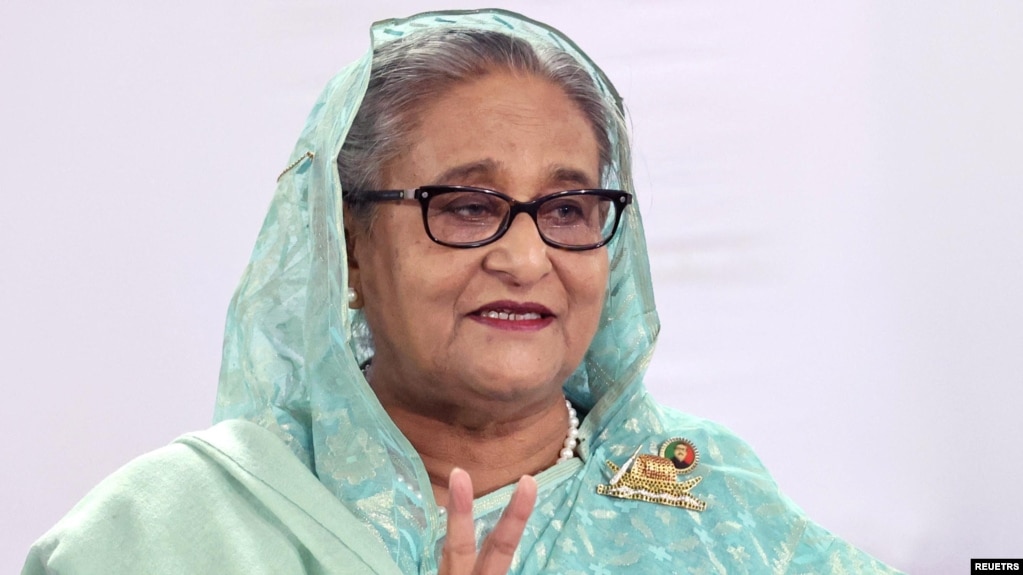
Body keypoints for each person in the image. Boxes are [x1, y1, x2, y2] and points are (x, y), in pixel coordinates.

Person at [23, 9, 903, 574]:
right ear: (348, 251)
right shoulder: (170, 534)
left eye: (566, 206)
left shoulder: (703, 497)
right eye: (468, 205)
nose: (526, 258)